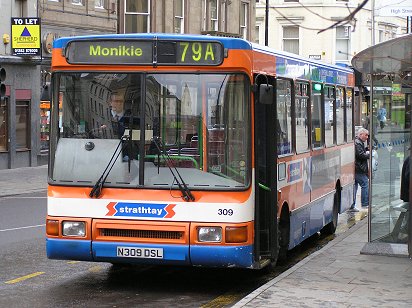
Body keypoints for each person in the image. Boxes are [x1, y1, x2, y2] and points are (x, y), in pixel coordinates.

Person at [349, 128, 370, 212]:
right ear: (361, 134)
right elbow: (360, 155)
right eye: (366, 135)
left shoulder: (359, 142)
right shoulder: (358, 143)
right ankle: (365, 204)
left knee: (355, 187)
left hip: (356, 168)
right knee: (365, 184)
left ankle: (352, 205)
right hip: (359, 169)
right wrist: (368, 154)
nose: (367, 137)